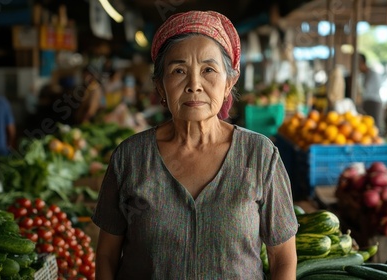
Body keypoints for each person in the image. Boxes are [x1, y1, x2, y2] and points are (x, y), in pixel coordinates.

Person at [92, 10, 298, 279]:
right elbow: (107, 255)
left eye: (209, 70)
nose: (194, 85)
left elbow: (282, 258)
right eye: (178, 70)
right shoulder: (130, 157)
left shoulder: (259, 155)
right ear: (160, 86)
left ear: (229, 83)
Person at [358, 53, 383, 132]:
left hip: (373, 102)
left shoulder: (373, 74)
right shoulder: (363, 75)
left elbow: (367, 91)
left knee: (374, 128)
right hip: (368, 102)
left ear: (362, 63)